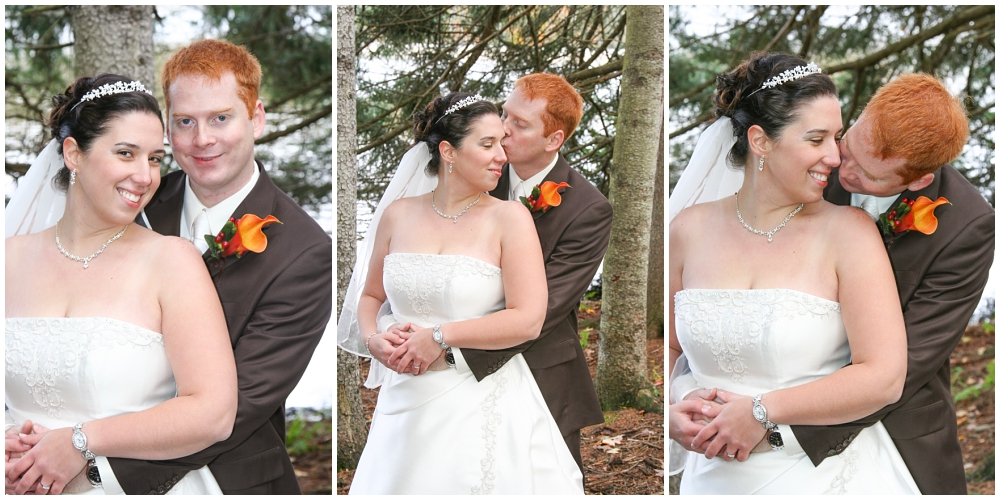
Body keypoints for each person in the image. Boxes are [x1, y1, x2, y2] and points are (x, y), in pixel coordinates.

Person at [38, 40, 331, 495]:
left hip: (223, 477)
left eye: (220, 118)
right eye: (184, 122)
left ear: (256, 117)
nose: (201, 140)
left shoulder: (304, 250)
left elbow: (238, 407)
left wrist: (91, 465)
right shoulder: (130, 200)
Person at [667, 52, 920, 494]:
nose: (835, 156)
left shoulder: (850, 233)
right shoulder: (687, 230)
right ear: (761, 141)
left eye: (836, 137)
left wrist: (762, 411)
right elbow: (669, 349)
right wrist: (673, 406)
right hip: (711, 478)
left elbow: (884, 375)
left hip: (820, 475)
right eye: (816, 138)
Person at [339, 91, 585, 494]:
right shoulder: (397, 215)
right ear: (449, 152)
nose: (501, 155)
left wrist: (439, 336)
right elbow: (370, 297)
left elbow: (528, 318)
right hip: (404, 400)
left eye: (502, 143)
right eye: (487, 144)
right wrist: (374, 340)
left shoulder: (510, 218)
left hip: (479, 396)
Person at [5, 74, 237, 495]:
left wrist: (80, 441)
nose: (145, 176)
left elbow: (213, 413)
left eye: (154, 158)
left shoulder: (172, 261)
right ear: (74, 154)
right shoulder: (9, 259)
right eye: (126, 153)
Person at [469, 73, 613, 471]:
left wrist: (453, 349)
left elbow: (546, 306)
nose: (502, 129)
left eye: (520, 124)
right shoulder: (475, 179)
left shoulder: (588, 209)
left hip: (539, 369)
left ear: (553, 140)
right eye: (504, 114)